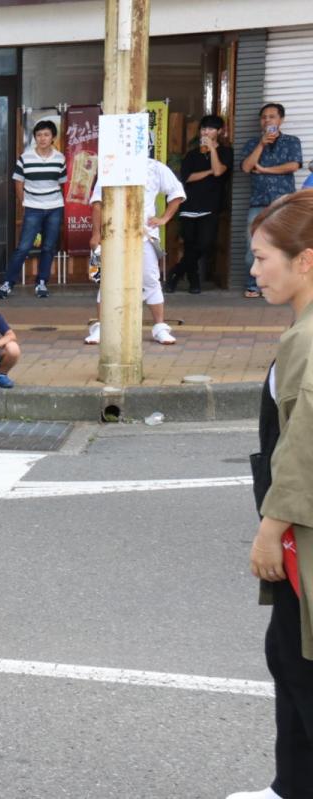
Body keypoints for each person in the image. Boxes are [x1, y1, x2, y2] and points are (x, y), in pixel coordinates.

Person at [228, 190, 313, 799]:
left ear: (305, 260)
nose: (253, 271)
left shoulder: (308, 339)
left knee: (301, 663)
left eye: (261, 259)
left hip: (301, 535)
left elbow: (305, 443)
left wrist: (270, 527)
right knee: (287, 654)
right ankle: (291, 786)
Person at [86, 158, 185, 346]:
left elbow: (177, 193)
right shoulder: (111, 165)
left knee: (150, 279)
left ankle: (160, 326)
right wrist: (96, 234)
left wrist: (164, 218)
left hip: (144, 233)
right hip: (113, 233)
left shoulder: (155, 168)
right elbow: (97, 202)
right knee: (108, 280)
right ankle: (102, 326)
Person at [0, 120, 67, 300]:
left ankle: (41, 282)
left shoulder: (60, 158)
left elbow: (62, 183)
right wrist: (24, 202)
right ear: (34, 137)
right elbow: (18, 181)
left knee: (49, 247)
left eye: (46, 135)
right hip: (33, 208)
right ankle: (8, 283)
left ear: (53, 138)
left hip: (54, 208)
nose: (42, 138)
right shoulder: (25, 157)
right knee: (23, 247)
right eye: (39, 135)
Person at [241, 103, 303, 298]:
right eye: (264, 117)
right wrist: (261, 144)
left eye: (272, 116)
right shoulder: (252, 143)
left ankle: (286, 285)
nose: (267, 120)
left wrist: (266, 170)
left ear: (281, 120)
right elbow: (246, 167)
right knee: (253, 244)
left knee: (286, 244)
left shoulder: (292, 141)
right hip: (258, 202)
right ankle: (254, 285)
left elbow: (293, 165)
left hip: (284, 201)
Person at [169, 115, 233, 295]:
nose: (206, 132)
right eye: (204, 128)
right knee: (189, 245)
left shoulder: (226, 152)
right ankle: (193, 281)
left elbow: (220, 171)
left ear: (219, 132)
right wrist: (209, 171)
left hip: (211, 206)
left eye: (211, 129)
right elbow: (188, 178)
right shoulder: (191, 155)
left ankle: (176, 272)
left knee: (204, 244)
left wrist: (212, 150)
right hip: (189, 206)